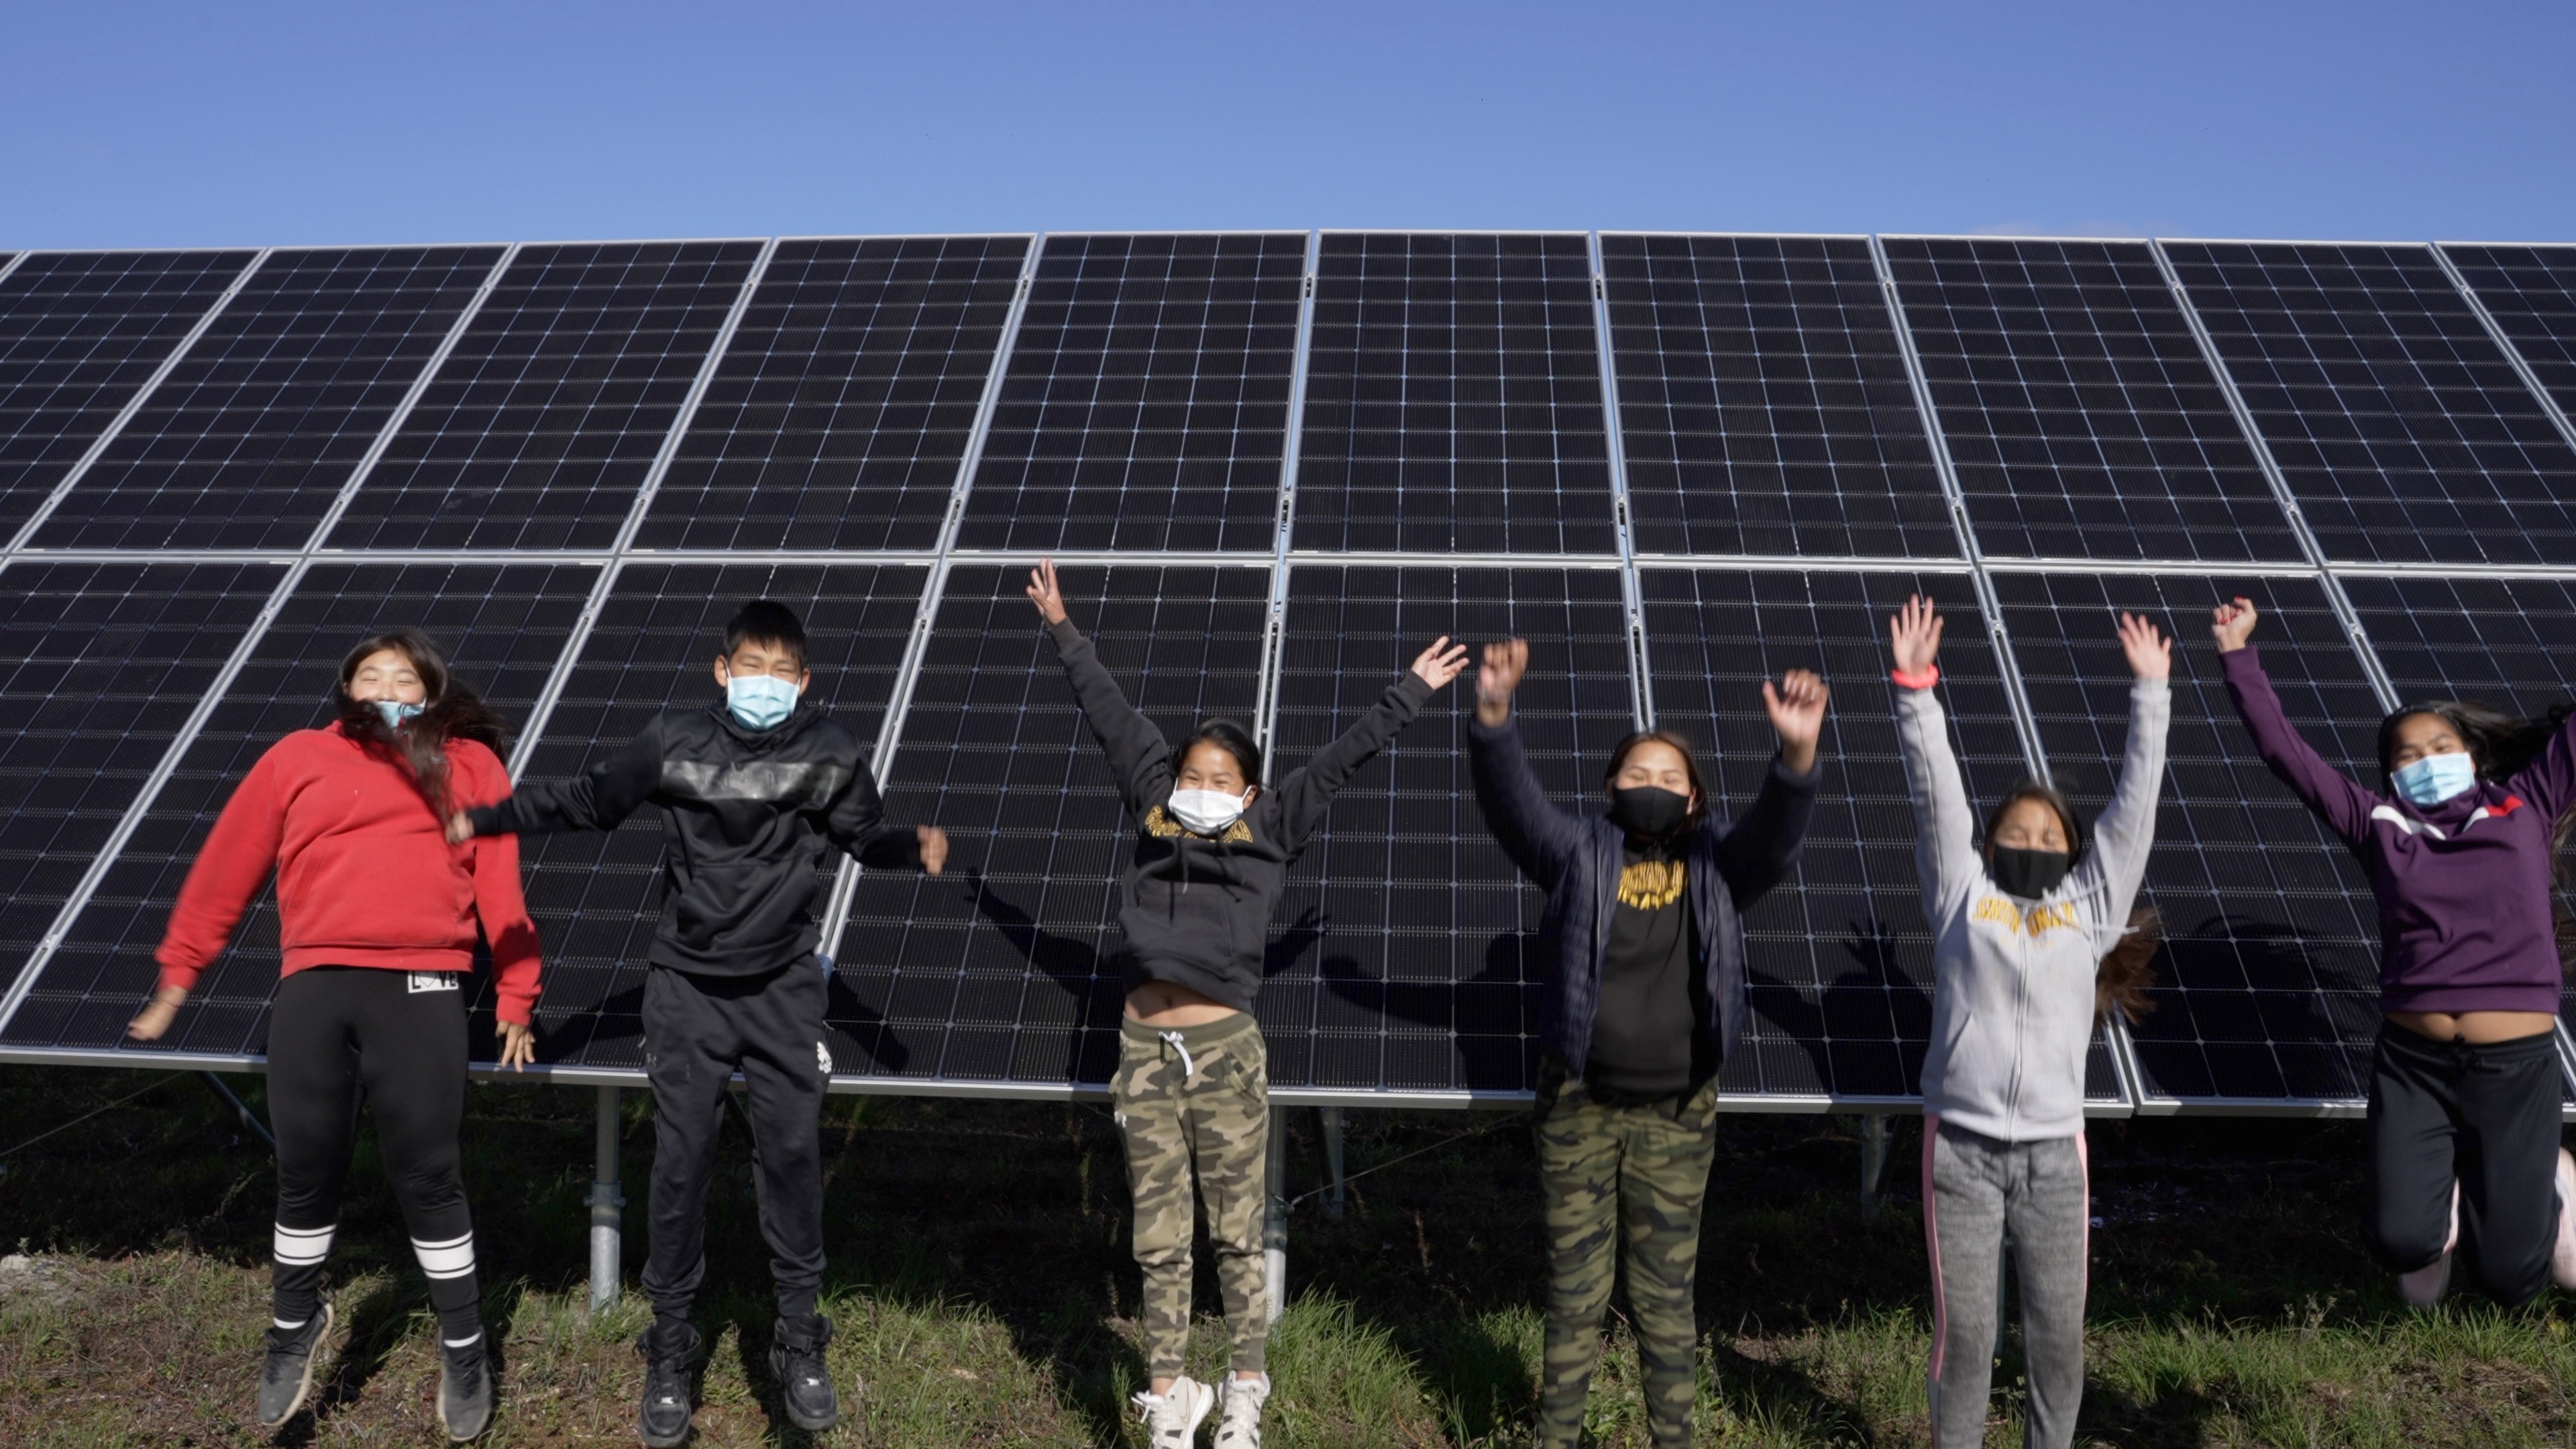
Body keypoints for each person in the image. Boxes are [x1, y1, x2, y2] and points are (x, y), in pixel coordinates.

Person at [448, 600, 949, 1448]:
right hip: (686, 989)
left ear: (805, 681)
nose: (765, 683)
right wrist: (488, 816)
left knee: (791, 1159)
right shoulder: (674, 741)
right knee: (681, 1167)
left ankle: (800, 1337)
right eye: (751, 667)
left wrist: (911, 849)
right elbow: (591, 801)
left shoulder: (830, 751)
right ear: (722, 671)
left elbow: (865, 838)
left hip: (783, 987)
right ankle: (671, 1345)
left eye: (782, 672)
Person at [1023, 559, 1466, 1449]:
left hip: (1223, 1053)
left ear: (1250, 792)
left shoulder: (1269, 828)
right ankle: (1170, 1397)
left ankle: (1244, 1393)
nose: (1203, 785)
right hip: (1143, 1049)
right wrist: (1065, 630)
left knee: (1234, 1232)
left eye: (1222, 777)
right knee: (1158, 1236)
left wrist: (1410, 691)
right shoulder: (1156, 811)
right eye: (1193, 772)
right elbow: (1110, 715)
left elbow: (1341, 762)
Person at [127, 631, 541, 1442]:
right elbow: (229, 864)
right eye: (369, 675)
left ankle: (465, 1348)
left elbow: (500, 878)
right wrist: (180, 973)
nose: (385, 688)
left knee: (429, 1173)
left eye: (404, 677)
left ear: (431, 693)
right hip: (316, 983)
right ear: (346, 691)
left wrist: (518, 991)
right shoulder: (297, 757)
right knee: (306, 1164)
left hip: (423, 984)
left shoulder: (469, 765)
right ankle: (295, 1325)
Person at [1468, 636, 1826, 1449]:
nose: (1654, 785)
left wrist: (1797, 756)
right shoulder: (1578, 854)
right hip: (1578, 1108)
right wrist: (1493, 715)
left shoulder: (1717, 865)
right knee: (1575, 1295)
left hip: (1678, 1115)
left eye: (1671, 776)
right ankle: (1556, 1439)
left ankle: (1674, 1440)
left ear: (1695, 797)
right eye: (1638, 773)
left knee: (1666, 1301)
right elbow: (1514, 808)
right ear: (1610, 788)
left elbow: (1774, 838)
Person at [2213, 596, 2576, 1309]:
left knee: (2510, 1280)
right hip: (2415, 1064)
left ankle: (2552, 1177)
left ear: (2472, 756)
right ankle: (2456, 1189)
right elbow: (2284, 752)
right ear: (2389, 774)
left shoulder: (2526, 806)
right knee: (2401, 1241)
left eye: (2440, 747)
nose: (2425, 762)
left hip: (2515, 1067)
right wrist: (2237, 655)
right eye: (2407, 756)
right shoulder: (2376, 823)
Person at [1888, 596, 2169, 1449]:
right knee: (1968, 1336)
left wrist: (2151, 696)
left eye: (2050, 835)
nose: (2034, 841)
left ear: (2074, 855)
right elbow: (1937, 797)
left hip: (2055, 1156)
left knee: (2057, 1336)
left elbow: (2133, 814)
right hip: (1960, 1149)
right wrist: (1915, 692)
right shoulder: (1960, 898)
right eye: (2017, 830)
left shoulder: (2089, 911)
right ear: (1988, 844)